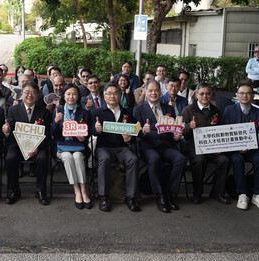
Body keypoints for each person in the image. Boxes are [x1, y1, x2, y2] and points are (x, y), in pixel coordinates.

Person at [133, 80, 186, 213]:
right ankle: (160, 195)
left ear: (161, 92)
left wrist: (176, 136)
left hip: (166, 145)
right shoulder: (138, 109)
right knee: (154, 159)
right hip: (148, 146)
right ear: (145, 92)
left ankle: (171, 193)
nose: (153, 93)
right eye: (150, 90)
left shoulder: (168, 109)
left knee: (181, 159)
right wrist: (143, 132)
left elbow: (173, 129)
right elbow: (136, 133)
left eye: (156, 90)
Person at [223, 84, 259, 211]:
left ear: (252, 96)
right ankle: (242, 194)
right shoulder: (229, 110)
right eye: (242, 93)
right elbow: (223, 132)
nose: (245, 96)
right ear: (237, 95)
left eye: (248, 93)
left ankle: (258, 195)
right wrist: (236, 147)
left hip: (252, 149)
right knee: (238, 160)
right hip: (234, 149)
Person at [2, 81, 52, 205]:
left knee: (43, 157)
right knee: (10, 157)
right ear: (21, 94)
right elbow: (12, 132)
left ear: (38, 95)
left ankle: (40, 190)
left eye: (33, 93)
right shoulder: (13, 110)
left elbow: (47, 134)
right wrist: (6, 131)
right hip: (17, 145)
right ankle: (13, 190)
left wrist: (37, 147)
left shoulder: (44, 112)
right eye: (27, 92)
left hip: (37, 147)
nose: (30, 95)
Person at [92, 83, 140, 212]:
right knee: (105, 159)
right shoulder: (97, 112)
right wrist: (97, 130)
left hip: (122, 148)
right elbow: (91, 132)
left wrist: (130, 138)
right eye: (109, 93)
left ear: (120, 95)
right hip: (104, 147)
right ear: (104, 96)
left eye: (115, 93)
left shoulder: (127, 113)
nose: (112, 96)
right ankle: (104, 197)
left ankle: (131, 197)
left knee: (133, 159)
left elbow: (134, 131)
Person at [181, 83, 231, 205]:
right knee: (199, 160)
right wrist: (189, 127)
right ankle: (197, 193)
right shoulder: (188, 110)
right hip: (192, 147)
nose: (205, 96)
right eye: (202, 93)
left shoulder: (216, 110)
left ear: (211, 95)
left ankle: (217, 192)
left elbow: (221, 131)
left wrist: (219, 147)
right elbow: (181, 131)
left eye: (208, 93)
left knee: (224, 160)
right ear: (196, 95)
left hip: (211, 147)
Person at [51, 84, 92, 209]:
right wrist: (56, 122)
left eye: (74, 94)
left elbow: (89, 131)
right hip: (62, 146)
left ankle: (84, 189)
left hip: (79, 146)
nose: (71, 96)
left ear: (78, 96)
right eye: (68, 94)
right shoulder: (58, 111)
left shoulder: (84, 112)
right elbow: (53, 134)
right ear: (64, 96)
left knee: (78, 156)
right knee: (68, 157)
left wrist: (83, 137)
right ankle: (77, 190)